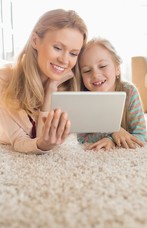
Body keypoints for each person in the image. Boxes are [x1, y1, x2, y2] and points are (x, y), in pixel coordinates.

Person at [0, 9, 88, 154]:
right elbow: (20, 140)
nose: (65, 60)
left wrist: (51, 88)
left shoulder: (68, 84)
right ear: (35, 41)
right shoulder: (4, 80)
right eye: (58, 48)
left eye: (73, 53)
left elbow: (44, 136)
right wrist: (43, 144)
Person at [76, 37, 147, 151]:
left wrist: (111, 139)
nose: (95, 75)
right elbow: (82, 140)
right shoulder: (83, 98)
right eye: (87, 71)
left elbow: (141, 136)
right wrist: (114, 130)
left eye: (103, 66)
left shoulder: (129, 92)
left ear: (117, 68)